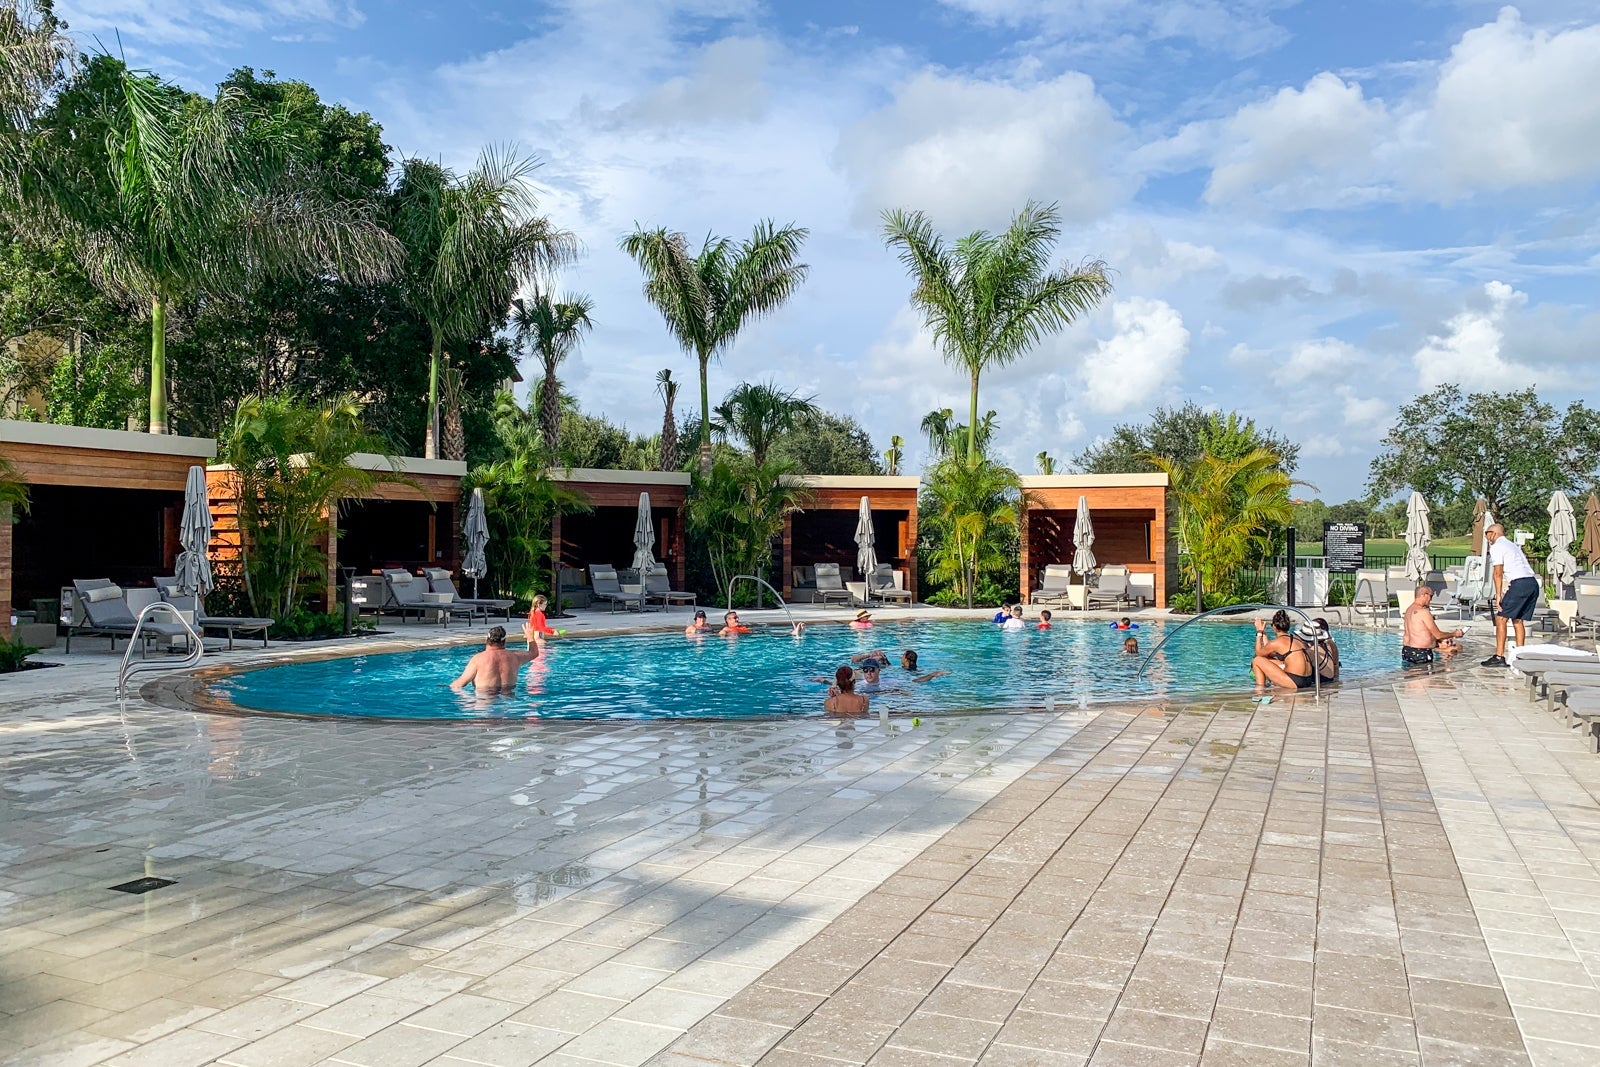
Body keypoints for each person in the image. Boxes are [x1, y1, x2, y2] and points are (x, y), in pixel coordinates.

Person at [1483, 523, 1538, 667]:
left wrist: (1498, 595)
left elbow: (1498, 573)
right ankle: (1520, 656)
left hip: (1520, 584)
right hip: (1532, 583)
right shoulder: (1513, 546)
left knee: (1501, 618)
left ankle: (1499, 656)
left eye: (1487, 534)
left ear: (1493, 534)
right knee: (1517, 620)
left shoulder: (1497, 547)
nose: (1486, 537)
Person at [449, 624, 540, 694]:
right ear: (504, 642)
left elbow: (459, 684)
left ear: (486, 640)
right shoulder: (515, 656)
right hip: (509, 703)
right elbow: (534, 653)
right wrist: (530, 637)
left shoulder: (478, 659)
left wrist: (446, 687)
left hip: (485, 702)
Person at [1251, 609, 1316, 690]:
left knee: (1257, 660)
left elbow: (1259, 653)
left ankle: (1260, 690)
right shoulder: (1296, 639)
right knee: (1268, 659)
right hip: (1307, 680)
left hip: (1295, 681)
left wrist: (1259, 632)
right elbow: (1268, 652)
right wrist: (1264, 633)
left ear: (1274, 627)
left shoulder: (1278, 642)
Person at [1402, 586, 1463, 667]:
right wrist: (1454, 634)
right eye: (1431, 596)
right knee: (1424, 675)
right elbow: (1438, 635)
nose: (1431, 599)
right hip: (1421, 651)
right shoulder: (1423, 612)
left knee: (1410, 673)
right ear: (1424, 595)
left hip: (1407, 650)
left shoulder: (1409, 610)